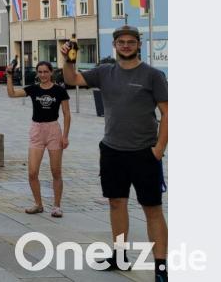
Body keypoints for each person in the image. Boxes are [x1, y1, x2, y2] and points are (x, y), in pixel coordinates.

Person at [61, 26, 168, 281]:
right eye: (122, 42)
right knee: (116, 203)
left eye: (131, 42)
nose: (127, 45)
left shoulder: (153, 75)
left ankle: (161, 268)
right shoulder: (105, 72)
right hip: (112, 151)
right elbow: (71, 79)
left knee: (152, 209)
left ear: (138, 45)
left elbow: (168, 113)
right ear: (115, 45)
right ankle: (120, 255)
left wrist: (159, 149)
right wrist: (67, 59)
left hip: (144, 152)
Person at [6, 61, 71, 217]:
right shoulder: (33, 89)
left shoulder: (59, 91)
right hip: (37, 130)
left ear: (51, 73)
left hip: (54, 130)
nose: (43, 75)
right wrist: (9, 76)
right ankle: (38, 204)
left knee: (56, 171)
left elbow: (67, 114)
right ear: (37, 73)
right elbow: (12, 94)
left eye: (45, 72)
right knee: (32, 172)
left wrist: (65, 136)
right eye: (40, 72)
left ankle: (56, 206)